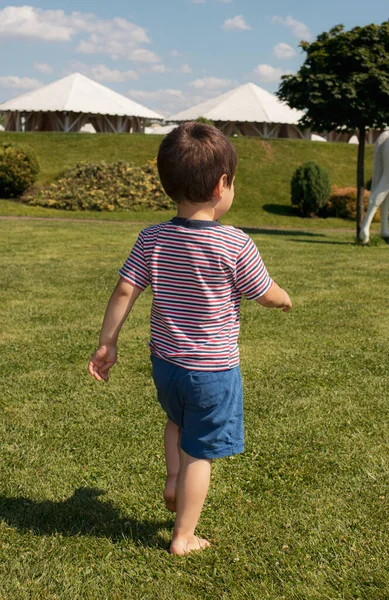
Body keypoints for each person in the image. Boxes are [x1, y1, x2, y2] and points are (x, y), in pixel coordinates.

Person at [88, 122, 292, 556]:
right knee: (201, 450)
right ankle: (183, 536)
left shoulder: (152, 238)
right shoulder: (235, 244)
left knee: (176, 421)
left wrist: (108, 342)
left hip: (166, 366)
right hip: (212, 371)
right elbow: (264, 291)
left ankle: (172, 480)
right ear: (222, 186)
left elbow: (125, 289)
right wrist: (283, 299)